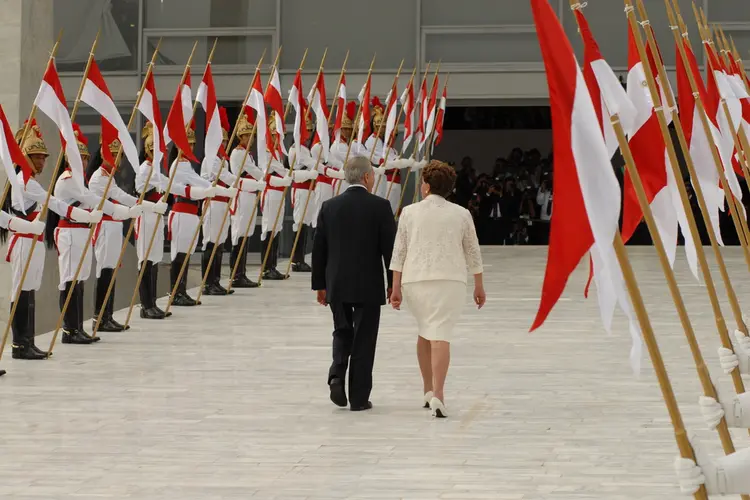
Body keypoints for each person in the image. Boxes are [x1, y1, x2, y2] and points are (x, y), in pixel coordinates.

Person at [389, 160, 485, 418]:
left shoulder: (409, 212)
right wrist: (479, 284)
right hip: (450, 280)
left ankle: (428, 389)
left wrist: (395, 288)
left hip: (415, 280)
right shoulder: (462, 213)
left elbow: (399, 252)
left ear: (427, 186)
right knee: (440, 333)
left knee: (425, 329)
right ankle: (439, 393)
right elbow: (472, 251)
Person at [3, 121, 98, 360]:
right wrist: (85, 214)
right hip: (24, 240)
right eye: (37, 157)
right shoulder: (22, 183)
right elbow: (54, 204)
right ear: (25, 156)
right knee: (21, 291)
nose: (42, 162)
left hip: (33, 240)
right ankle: (19, 344)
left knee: (31, 289)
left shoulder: (30, 182)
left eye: (43, 157)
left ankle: (28, 342)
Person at [312, 155, 396, 411]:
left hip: (337, 282)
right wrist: (393, 283)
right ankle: (359, 397)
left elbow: (319, 249)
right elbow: (389, 250)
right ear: (368, 177)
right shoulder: (381, 206)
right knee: (364, 338)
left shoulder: (329, 206)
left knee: (341, 330)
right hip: (368, 284)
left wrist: (320, 285)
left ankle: (337, 374)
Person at [51, 125, 140, 345]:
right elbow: (95, 202)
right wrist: (127, 211)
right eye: (78, 158)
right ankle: (69, 330)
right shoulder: (67, 180)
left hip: (81, 233)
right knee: (70, 281)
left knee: (79, 280)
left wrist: (128, 210)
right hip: (71, 232)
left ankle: (77, 328)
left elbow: (97, 202)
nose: (82, 162)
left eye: (84, 158)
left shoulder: (79, 180)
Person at [88, 137, 166, 332]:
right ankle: (100, 317)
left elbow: (122, 196)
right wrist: (133, 210)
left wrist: (145, 206)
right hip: (105, 226)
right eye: (113, 155)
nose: (116, 159)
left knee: (112, 271)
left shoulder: (109, 177)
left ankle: (108, 316)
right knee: (105, 272)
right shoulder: (98, 178)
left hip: (114, 226)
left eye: (118, 155)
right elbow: (112, 202)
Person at [135, 124, 213, 319]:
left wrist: (205, 190)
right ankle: (146, 304)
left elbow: (171, 185)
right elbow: (171, 186)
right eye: (154, 150)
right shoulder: (146, 169)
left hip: (157, 216)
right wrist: (203, 191)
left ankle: (152, 303)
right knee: (146, 260)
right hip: (147, 216)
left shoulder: (155, 169)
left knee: (154, 259)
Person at [168, 123, 235, 306]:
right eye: (186, 144)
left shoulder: (186, 163)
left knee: (187, 253)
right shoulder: (180, 164)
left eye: (191, 143)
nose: (190, 147)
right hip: (183, 210)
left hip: (191, 211)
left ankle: (184, 290)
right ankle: (177, 292)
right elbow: (196, 181)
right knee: (180, 254)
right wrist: (216, 190)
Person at [200, 107, 263, 295]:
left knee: (220, 242)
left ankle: (216, 280)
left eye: (226, 140)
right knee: (211, 242)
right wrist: (242, 183)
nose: (225, 143)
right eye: (222, 140)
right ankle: (207, 283)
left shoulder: (223, 159)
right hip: (214, 202)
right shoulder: (211, 159)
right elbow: (226, 177)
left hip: (224, 202)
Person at [228, 112, 265, 288]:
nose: (250, 138)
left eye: (252, 135)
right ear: (240, 136)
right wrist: (263, 179)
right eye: (247, 135)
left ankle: (241, 272)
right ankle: (236, 274)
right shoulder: (238, 153)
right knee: (240, 233)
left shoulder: (247, 153)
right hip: (242, 194)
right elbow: (250, 171)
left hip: (250, 194)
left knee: (247, 232)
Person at [260, 113, 292, 281]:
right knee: (269, 228)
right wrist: (284, 180)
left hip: (279, 193)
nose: (277, 138)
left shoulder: (278, 153)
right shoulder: (267, 152)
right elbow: (266, 176)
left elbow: (284, 172)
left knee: (277, 228)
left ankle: (272, 265)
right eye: (274, 135)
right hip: (271, 192)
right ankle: (266, 267)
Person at [288, 111, 320, 273]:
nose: (308, 135)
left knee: (305, 223)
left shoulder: (304, 149)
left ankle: (300, 259)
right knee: (299, 223)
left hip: (309, 189)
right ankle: (296, 260)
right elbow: (308, 165)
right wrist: (322, 169)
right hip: (300, 189)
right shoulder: (296, 149)